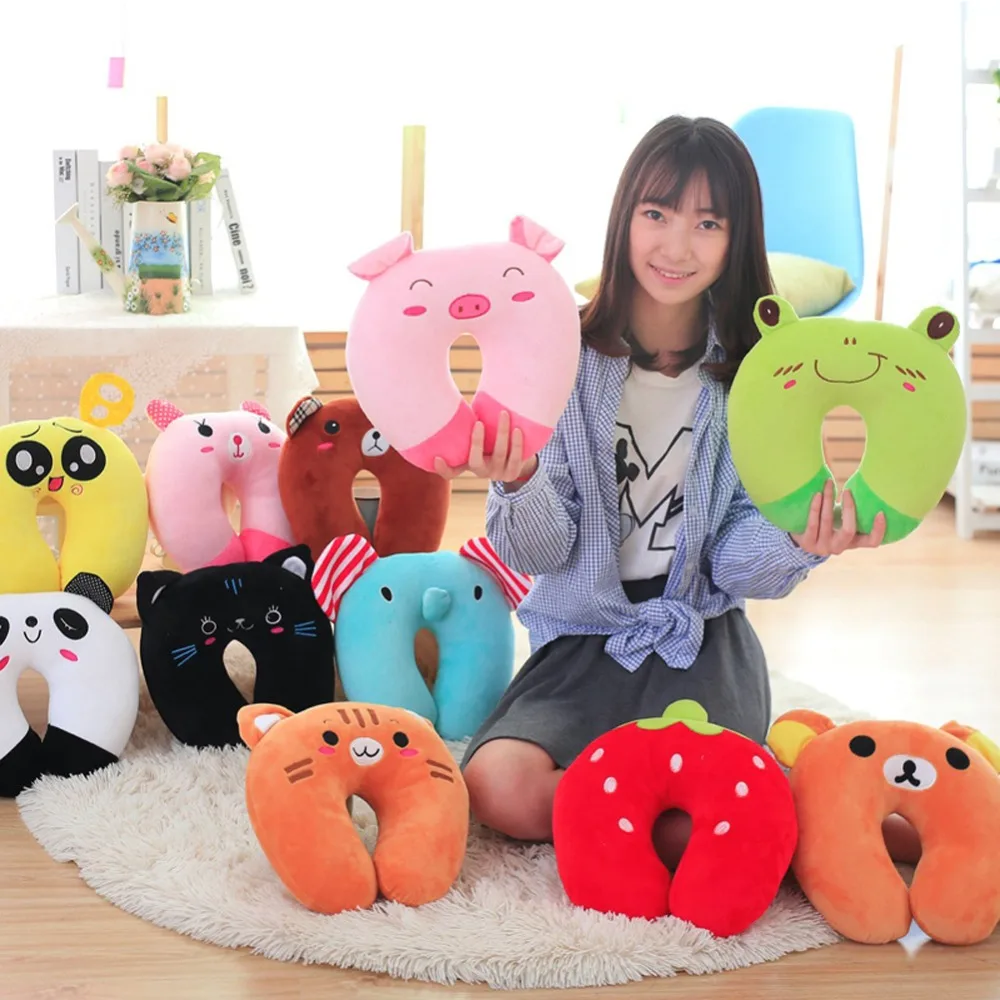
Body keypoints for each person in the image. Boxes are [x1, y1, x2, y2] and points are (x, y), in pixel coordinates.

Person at [433, 115, 919, 868]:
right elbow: (541, 552)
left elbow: (733, 564)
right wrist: (519, 480)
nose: (677, 246)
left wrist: (796, 540)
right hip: (582, 643)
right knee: (499, 787)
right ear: (624, 218)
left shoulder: (759, 376)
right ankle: (755, 819)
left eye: (708, 223)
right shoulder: (560, 355)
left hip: (701, 641)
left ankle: (781, 814)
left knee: (703, 798)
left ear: (736, 238)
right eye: (656, 213)